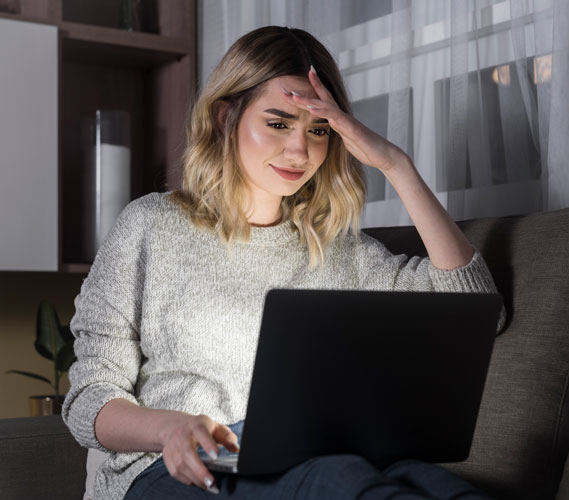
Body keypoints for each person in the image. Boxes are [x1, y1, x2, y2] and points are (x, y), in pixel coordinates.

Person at [62, 26, 506, 500]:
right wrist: (172, 429)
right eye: (278, 123)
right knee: (337, 482)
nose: (300, 150)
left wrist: (395, 164)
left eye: (318, 130)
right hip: (174, 470)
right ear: (224, 116)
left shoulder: (335, 249)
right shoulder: (149, 225)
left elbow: (479, 311)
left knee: (432, 482)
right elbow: (89, 399)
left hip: (306, 455)